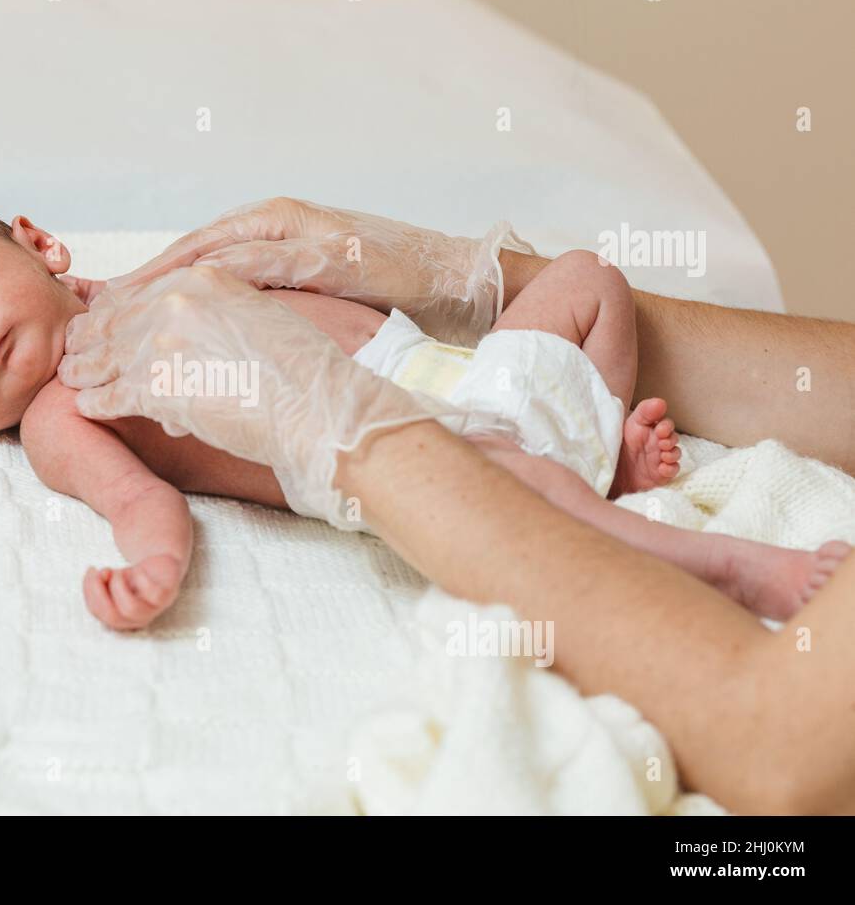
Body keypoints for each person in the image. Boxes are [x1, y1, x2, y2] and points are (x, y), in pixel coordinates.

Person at [60, 197, 855, 814]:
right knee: (527, 469)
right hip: (448, 437)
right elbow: (134, 497)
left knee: (590, 280)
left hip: (447, 385)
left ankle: (597, 456)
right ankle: (734, 565)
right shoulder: (63, 407)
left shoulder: (157, 291)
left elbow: (780, 749)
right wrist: (153, 567)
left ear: (36, 244)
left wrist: (365, 396)